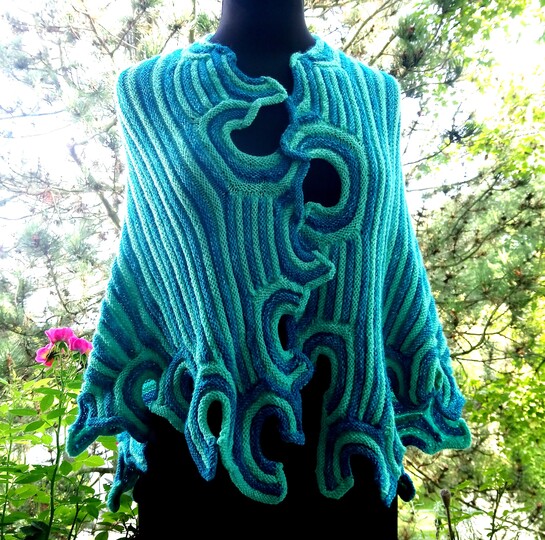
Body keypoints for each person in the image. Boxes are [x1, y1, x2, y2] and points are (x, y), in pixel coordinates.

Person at [66, 0, 471, 538]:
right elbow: (148, 264)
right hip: (201, 452)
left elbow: (390, 258)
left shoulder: (377, 95)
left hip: (345, 452)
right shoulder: (149, 91)